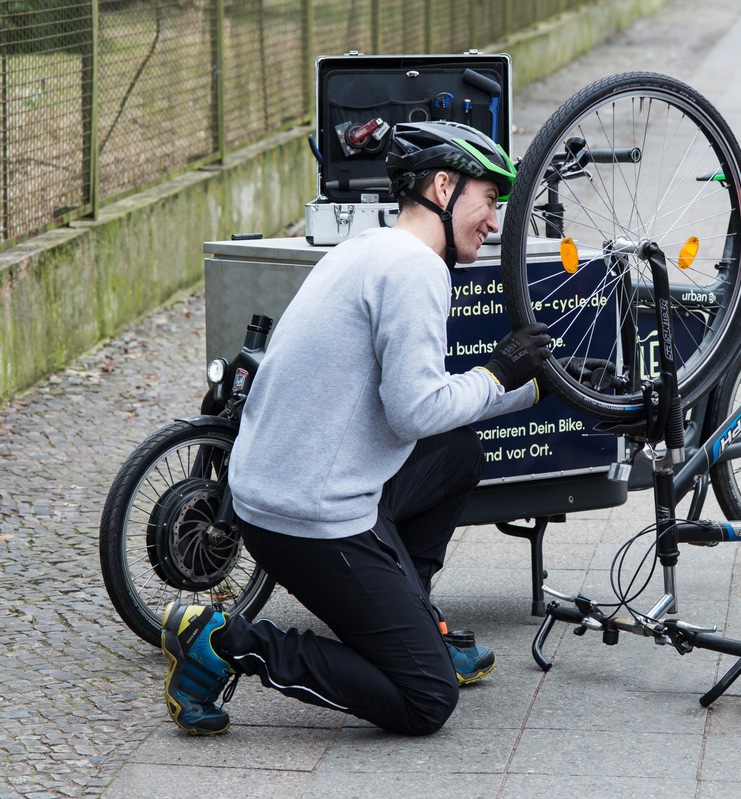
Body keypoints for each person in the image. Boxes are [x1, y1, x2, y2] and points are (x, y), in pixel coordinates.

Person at [159, 121, 553, 736]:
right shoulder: (415, 270)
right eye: (490, 200)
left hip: (278, 486)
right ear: (444, 187)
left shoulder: (368, 249)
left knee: (457, 454)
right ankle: (224, 643)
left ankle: (409, 618)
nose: (495, 221)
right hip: (306, 515)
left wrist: (531, 385)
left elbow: (425, 407)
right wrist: (499, 371)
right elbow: (415, 413)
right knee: (427, 699)